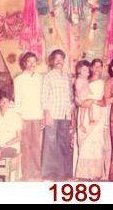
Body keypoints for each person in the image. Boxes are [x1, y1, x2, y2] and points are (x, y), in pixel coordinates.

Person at [41, 49, 74, 181]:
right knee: (50, 144)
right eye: (56, 59)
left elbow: (70, 96)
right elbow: (44, 96)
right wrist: (46, 113)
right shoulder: (48, 76)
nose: (59, 61)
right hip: (53, 114)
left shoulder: (67, 76)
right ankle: (49, 174)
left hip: (65, 115)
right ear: (52, 61)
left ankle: (65, 174)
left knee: (64, 144)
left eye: (61, 59)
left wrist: (71, 113)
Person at [75, 59, 107, 180]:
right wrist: (82, 102)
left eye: (100, 66)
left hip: (98, 113)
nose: (98, 69)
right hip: (85, 113)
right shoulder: (84, 81)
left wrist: (94, 101)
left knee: (96, 143)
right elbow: (78, 99)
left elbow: (104, 101)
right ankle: (84, 173)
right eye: (95, 66)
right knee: (86, 143)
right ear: (91, 68)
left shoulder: (102, 82)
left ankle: (95, 173)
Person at [14, 52, 43, 181]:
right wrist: (19, 119)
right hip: (24, 117)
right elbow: (18, 101)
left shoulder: (40, 78)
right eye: (29, 62)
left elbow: (42, 98)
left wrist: (42, 115)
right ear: (24, 63)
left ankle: (37, 173)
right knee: (25, 146)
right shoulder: (18, 80)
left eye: (34, 61)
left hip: (37, 116)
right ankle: (26, 174)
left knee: (37, 146)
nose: (32, 64)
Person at [0, 91, 22, 161]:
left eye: (6, 102)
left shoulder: (15, 116)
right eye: (2, 101)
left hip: (11, 146)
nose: (4, 104)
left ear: (9, 103)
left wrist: (2, 147)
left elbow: (19, 137)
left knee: (1, 157)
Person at [74, 60, 95, 133]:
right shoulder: (79, 79)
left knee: (90, 106)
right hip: (81, 97)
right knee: (83, 110)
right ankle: (82, 124)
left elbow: (88, 88)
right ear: (79, 70)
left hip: (85, 97)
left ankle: (91, 119)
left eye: (87, 70)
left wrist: (91, 92)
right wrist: (79, 94)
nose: (86, 72)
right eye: (84, 70)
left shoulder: (86, 79)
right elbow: (77, 89)